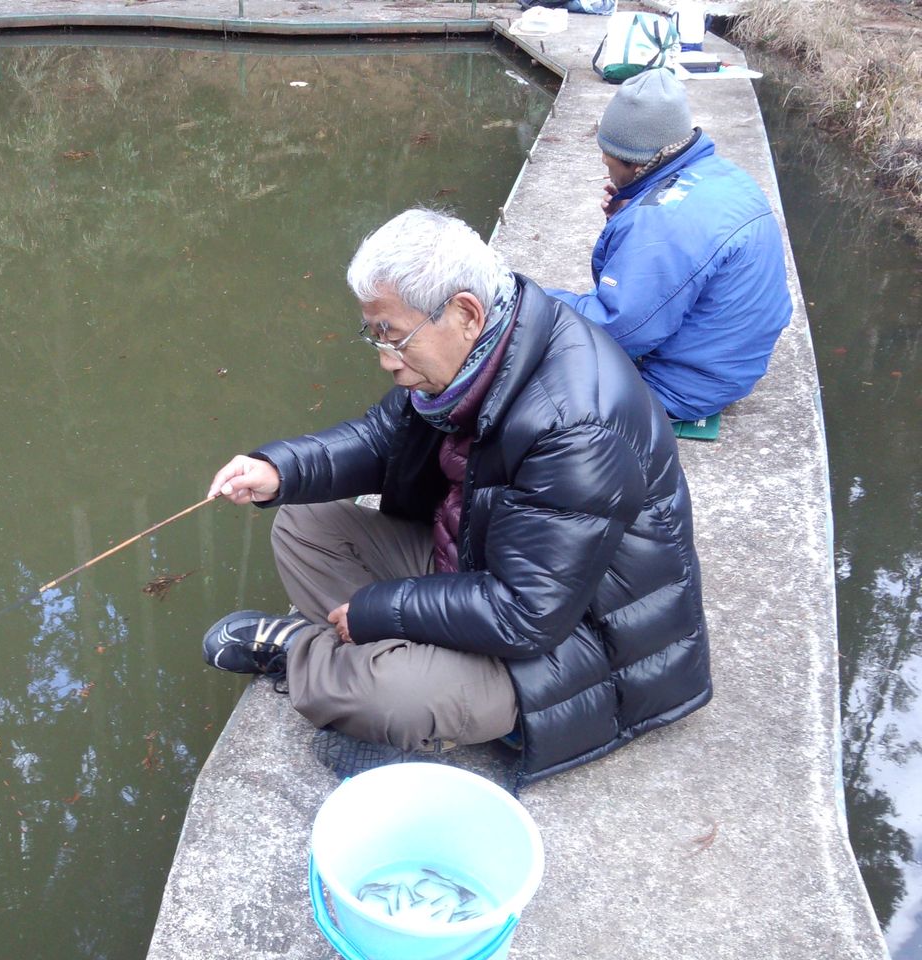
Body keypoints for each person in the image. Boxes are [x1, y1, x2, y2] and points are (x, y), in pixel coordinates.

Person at [201, 208, 711, 786]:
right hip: (477, 565)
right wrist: (278, 469)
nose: (386, 360)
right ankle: (364, 663)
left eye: (395, 337)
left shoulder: (575, 424)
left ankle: (304, 653)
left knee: (387, 696)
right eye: (375, 335)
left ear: (465, 312)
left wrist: (377, 610)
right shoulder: (479, 354)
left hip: (571, 641)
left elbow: (527, 613)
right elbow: (381, 439)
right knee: (301, 525)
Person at [545, 70, 792, 423]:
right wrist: (624, 221)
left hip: (683, 385)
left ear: (635, 161)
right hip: (730, 360)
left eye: (608, 154)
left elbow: (621, 328)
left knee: (524, 391)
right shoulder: (719, 174)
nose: (603, 162)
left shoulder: (660, 222)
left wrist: (528, 299)